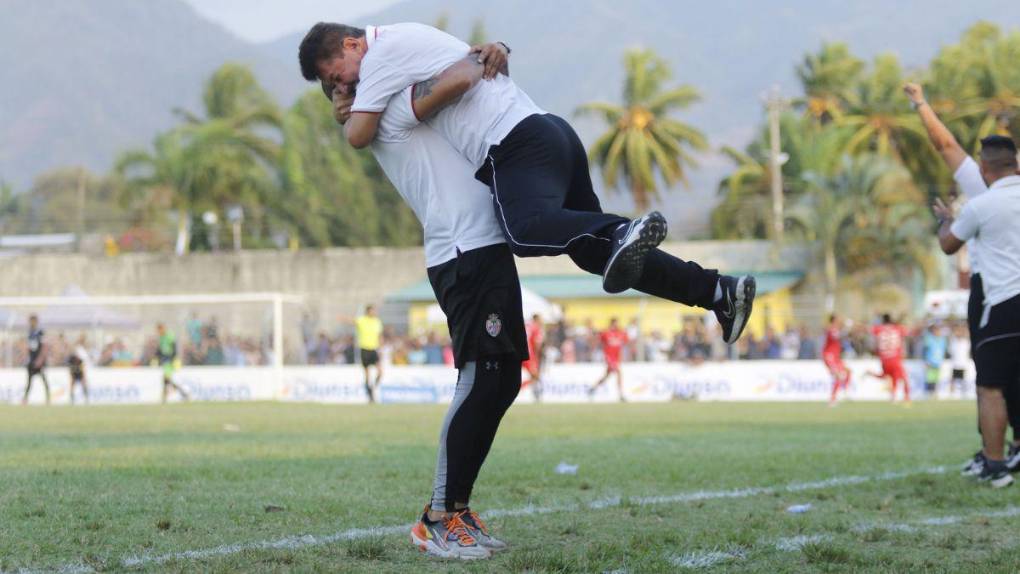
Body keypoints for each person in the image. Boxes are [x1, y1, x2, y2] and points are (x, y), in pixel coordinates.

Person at [299, 22, 757, 347]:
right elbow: (468, 64)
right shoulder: (404, 50)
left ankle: (619, 230)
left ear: (352, 44)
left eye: (338, 76)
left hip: (513, 142)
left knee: (524, 230)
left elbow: (359, 135)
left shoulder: (382, 53)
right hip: (549, 132)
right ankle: (718, 292)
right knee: (592, 253)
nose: (346, 85)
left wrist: (347, 110)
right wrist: (491, 48)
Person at [320, 44, 523, 558]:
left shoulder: (386, 105)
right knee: (479, 378)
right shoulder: (390, 110)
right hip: (462, 249)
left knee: (504, 380)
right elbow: (454, 79)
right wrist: (485, 54)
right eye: (345, 80)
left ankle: (457, 508)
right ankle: (437, 516)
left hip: (483, 243)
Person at [906, 84, 1020, 473]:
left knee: (990, 379)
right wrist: (922, 106)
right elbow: (946, 145)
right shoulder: (989, 183)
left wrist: (920, 103)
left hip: (994, 294)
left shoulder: (982, 193)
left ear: (987, 167)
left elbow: (945, 145)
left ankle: (995, 458)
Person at [933, 138, 1020, 487]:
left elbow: (948, 245)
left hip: (1004, 303)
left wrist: (944, 220)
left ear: (985, 169)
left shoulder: (982, 204)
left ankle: (995, 464)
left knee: (990, 388)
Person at [870, 314, 910, 404]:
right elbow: (908, 332)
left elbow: (869, 330)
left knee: (887, 376)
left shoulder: (878, 329)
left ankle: (894, 395)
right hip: (895, 358)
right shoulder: (897, 328)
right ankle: (906, 396)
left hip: (884, 359)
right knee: (902, 377)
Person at [589, 318, 629, 402]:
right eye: (614, 324)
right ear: (611, 324)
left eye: (617, 324)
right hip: (609, 357)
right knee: (618, 373)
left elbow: (626, 341)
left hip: (617, 358)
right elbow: (598, 338)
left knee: (606, 376)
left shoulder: (620, 333)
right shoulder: (606, 333)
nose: (616, 325)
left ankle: (593, 388)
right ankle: (621, 395)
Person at [355, 305, 384, 403]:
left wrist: (381, 348)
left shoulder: (377, 322)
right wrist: (342, 318)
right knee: (367, 375)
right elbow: (352, 321)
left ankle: (373, 387)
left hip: (374, 349)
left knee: (380, 372)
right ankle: (370, 395)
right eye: (372, 311)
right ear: (368, 312)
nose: (374, 312)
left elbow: (380, 336)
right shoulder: (362, 320)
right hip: (364, 349)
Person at [156, 323, 190, 404]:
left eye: (160, 329)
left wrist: (172, 359)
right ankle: (183, 393)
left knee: (166, 379)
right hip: (166, 360)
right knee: (167, 380)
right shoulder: (161, 337)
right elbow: (160, 350)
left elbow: (174, 348)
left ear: (163, 328)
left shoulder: (169, 336)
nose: (159, 332)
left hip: (171, 360)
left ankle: (165, 397)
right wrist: (157, 357)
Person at [21, 315, 50, 405]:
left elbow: (44, 347)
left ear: (36, 321)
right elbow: (28, 347)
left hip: (39, 362)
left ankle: (48, 399)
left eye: (32, 321)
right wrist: (26, 357)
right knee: (29, 382)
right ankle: (25, 400)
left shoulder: (40, 332)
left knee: (44, 381)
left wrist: (40, 360)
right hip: (31, 362)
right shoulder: (29, 332)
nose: (31, 323)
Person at [823, 314, 851, 406]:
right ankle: (832, 400)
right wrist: (846, 328)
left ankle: (845, 392)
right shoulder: (831, 329)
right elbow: (838, 336)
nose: (839, 321)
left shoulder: (836, 329)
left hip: (836, 357)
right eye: (838, 319)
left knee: (848, 371)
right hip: (829, 357)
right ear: (834, 320)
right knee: (838, 376)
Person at [921, 322, 949, 398]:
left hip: (938, 362)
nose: (937, 331)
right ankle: (929, 394)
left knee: (936, 379)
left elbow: (943, 351)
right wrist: (926, 361)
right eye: (935, 330)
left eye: (938, 330)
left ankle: (935, 393)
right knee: (929, 378)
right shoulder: (929, 339)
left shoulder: (943, 340)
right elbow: (925, 350)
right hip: (930, 362)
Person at [521, 313, 544, 401]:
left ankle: (535, 394)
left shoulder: (526, 325)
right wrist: (537, 355)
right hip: (529, 354)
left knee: (534, 377)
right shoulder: (536, 328)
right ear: (537, 319)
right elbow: (537, 344)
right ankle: (520, 389)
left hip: (519, 353)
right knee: (535, 376)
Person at [948, 322, 971, 398]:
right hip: (955, 364)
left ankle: (964, 393)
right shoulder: (953, 342)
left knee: (964, 380)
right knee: (953, 380)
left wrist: (964, 327)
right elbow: (953, 334)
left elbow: (967, 334)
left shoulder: (966, 342)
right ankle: (952, 393)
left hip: (964, 364)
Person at [68, 335, 90, 405]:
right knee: (72, 385)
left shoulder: (81, 360)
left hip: (80, 372)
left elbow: (83, 368)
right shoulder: (71, 358)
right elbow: (70, 368)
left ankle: (86, 399)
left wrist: (83, 376)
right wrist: (72, 375)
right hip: (74, 372)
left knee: (84, 384)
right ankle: (72, 400)